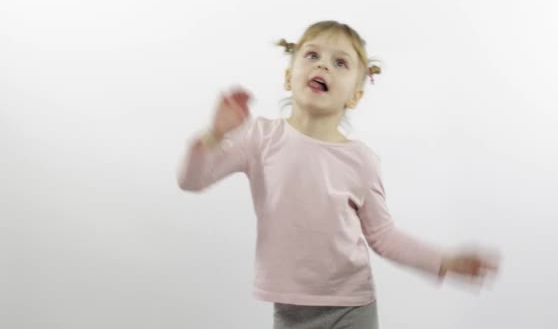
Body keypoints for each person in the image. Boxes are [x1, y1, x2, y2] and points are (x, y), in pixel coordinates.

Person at [177, 20, 500, 329]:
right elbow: (192, 181)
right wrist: (213, 136)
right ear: (289, 76)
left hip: (352, 307)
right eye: (312, 55)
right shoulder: (259, 138)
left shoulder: (361, 160)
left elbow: (383, 236)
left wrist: (444, 261)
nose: (323, 66)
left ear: (355, 96)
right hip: (291, 311)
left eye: (340, 62)